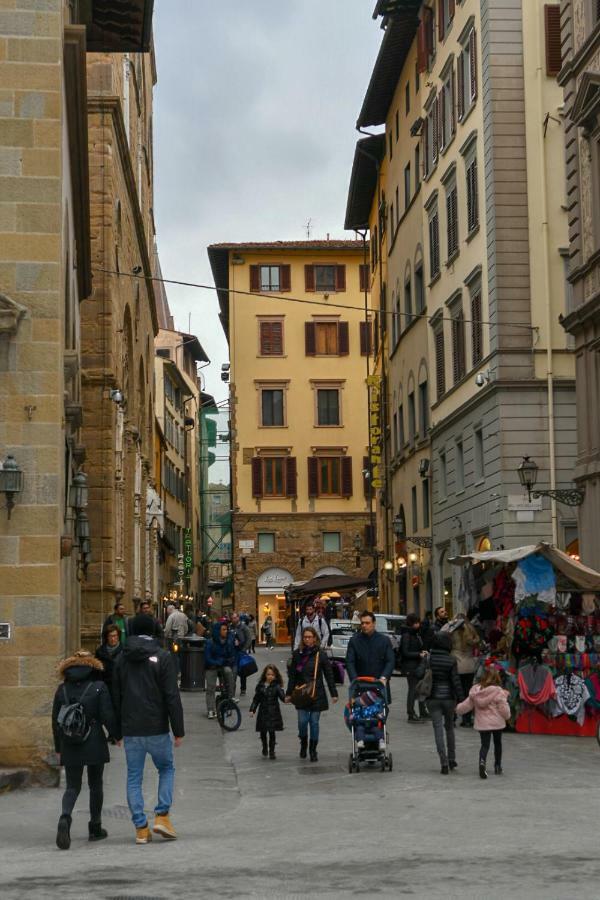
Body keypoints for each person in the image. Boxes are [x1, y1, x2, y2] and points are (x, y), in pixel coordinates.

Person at [112, 613, 184, 844]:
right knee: (166, 768)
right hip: (157, 727)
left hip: (131, 728)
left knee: (134, 777)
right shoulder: (162, 656)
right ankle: (162, 815)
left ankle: (141, 828)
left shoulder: (121, 659)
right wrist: (178, 728)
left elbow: (116, 696)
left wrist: (116, 731)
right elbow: (171, 695)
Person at [52, 650, 118, 850]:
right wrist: (117, 735)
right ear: (91, 668)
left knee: (72, 786)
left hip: (70, 742)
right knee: (95, 784)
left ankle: (65, 817)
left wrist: (58, 747)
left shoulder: (61, 690)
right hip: (94, 740)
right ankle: (95, 827)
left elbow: (55, 722)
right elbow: (107, 714)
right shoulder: (98, 687)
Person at [285, 626, 338, 761]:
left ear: (315, 638)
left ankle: (313, 749)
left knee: (314, 722)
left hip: (317, 693)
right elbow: (292, 676)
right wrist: (289, 693)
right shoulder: (297, 654)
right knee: (302, 722)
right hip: (302, 692)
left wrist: (333, 693)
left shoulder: (321, 654)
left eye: (310, 637)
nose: (307, 639)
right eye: (305, 637)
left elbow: (329, 674)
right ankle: (303, 743)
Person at [456, 667, 511, 779]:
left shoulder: (476, 692)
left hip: (483, 723)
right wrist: (507, 716)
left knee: (484, 745)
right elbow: (503, 709)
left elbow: (466, 705)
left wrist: (457, 709)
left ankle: (482, 763)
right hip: (497, 723)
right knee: (497, 743)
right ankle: (497, 766)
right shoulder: (499, 692)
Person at [427, 632, 464, 774]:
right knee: (449, 728)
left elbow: (418, 673)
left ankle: (443, 762)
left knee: (437, 730)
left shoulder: (429, 659)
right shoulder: (451, 660)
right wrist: (462, 699)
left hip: (433, 698)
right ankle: (452, 759)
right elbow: (456, 681)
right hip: (449, 698)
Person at [345, 610, 395, 699]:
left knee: (380, 711)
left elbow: (390, 661)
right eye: (362, 623)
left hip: (379, 684)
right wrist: (354, 679)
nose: (364, 625)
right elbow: (349, 662)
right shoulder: (354, 641)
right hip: (360, 684)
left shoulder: (384, 640)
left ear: (374, 623)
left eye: (367, 623)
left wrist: (384, 677)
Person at [248, 664, 285, 759]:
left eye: (272, 675)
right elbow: (256, 699)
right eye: (268, 674)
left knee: (272, 732)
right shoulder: (260, 686)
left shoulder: (277, 686)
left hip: (273, 713)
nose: (270, 677)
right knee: (263, 732)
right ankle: (264, 746)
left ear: (275, 676)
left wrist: (288, 696)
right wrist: (252, 709)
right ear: (265, 675)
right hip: (263, 713)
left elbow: (283, 697)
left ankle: (272, 751)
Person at [450, 615, 481, 726]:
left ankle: (452, 717)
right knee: (468, 692)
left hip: (456, 663)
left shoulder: (452, 631)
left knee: (454, 692)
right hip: (469, 665)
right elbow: (477, 643)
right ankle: (466, 719)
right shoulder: (471, 630)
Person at [204, 621, 236, 719]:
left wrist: (226, 660)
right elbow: (207, 658)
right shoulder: (210, 642)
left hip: (222, 665)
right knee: (211, 687)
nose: (226, 631)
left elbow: (231, 656)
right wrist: (217, 662)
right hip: (211, 666)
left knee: (229, 673)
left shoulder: (227, 641)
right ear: (218, 631)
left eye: (227, 629)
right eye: (224, 629)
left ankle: (230, 698)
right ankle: (211, 709)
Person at [400, 614, 428, 722]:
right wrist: (418, 654)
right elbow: (405, 652)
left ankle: (419, 712)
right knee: (412, 690)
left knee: (417, 689)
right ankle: (411, 714)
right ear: (411, 623)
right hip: (410, 666)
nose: (419, 624)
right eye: (416, 623)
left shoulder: (415, 634)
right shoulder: (407, 635)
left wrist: (422, 652)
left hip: (416, 665)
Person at [95, 624, 123, 700]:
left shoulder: (124, 651)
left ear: (118, 636)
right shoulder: (100, 652)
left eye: (115, 636)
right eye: (110, 636)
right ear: (107, 637)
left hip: (119, 689)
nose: (113, 639)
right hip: (104, 688)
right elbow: (96, 672)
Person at [231, 612, 252, 696]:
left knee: (243, 671)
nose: (234, 620)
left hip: (242, 651)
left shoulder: (244, 627)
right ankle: (232, 689)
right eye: (232, 618)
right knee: (234, 672)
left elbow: (249, 639)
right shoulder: (230, 627)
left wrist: (244, 649)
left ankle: (243, 688)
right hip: (234, 653)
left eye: (235, 618)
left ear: (238, 618)